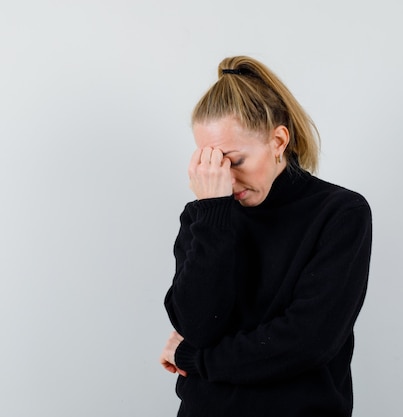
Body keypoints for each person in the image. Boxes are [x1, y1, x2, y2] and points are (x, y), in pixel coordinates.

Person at [158, 55, 372, 417]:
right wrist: (213, 214)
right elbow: (198, 325)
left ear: (278, 141)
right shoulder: (204, 215)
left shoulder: (340, 213)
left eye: (235, 160)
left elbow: (305, 343)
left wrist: (195, 358)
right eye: (212, 162)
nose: (225, 178)